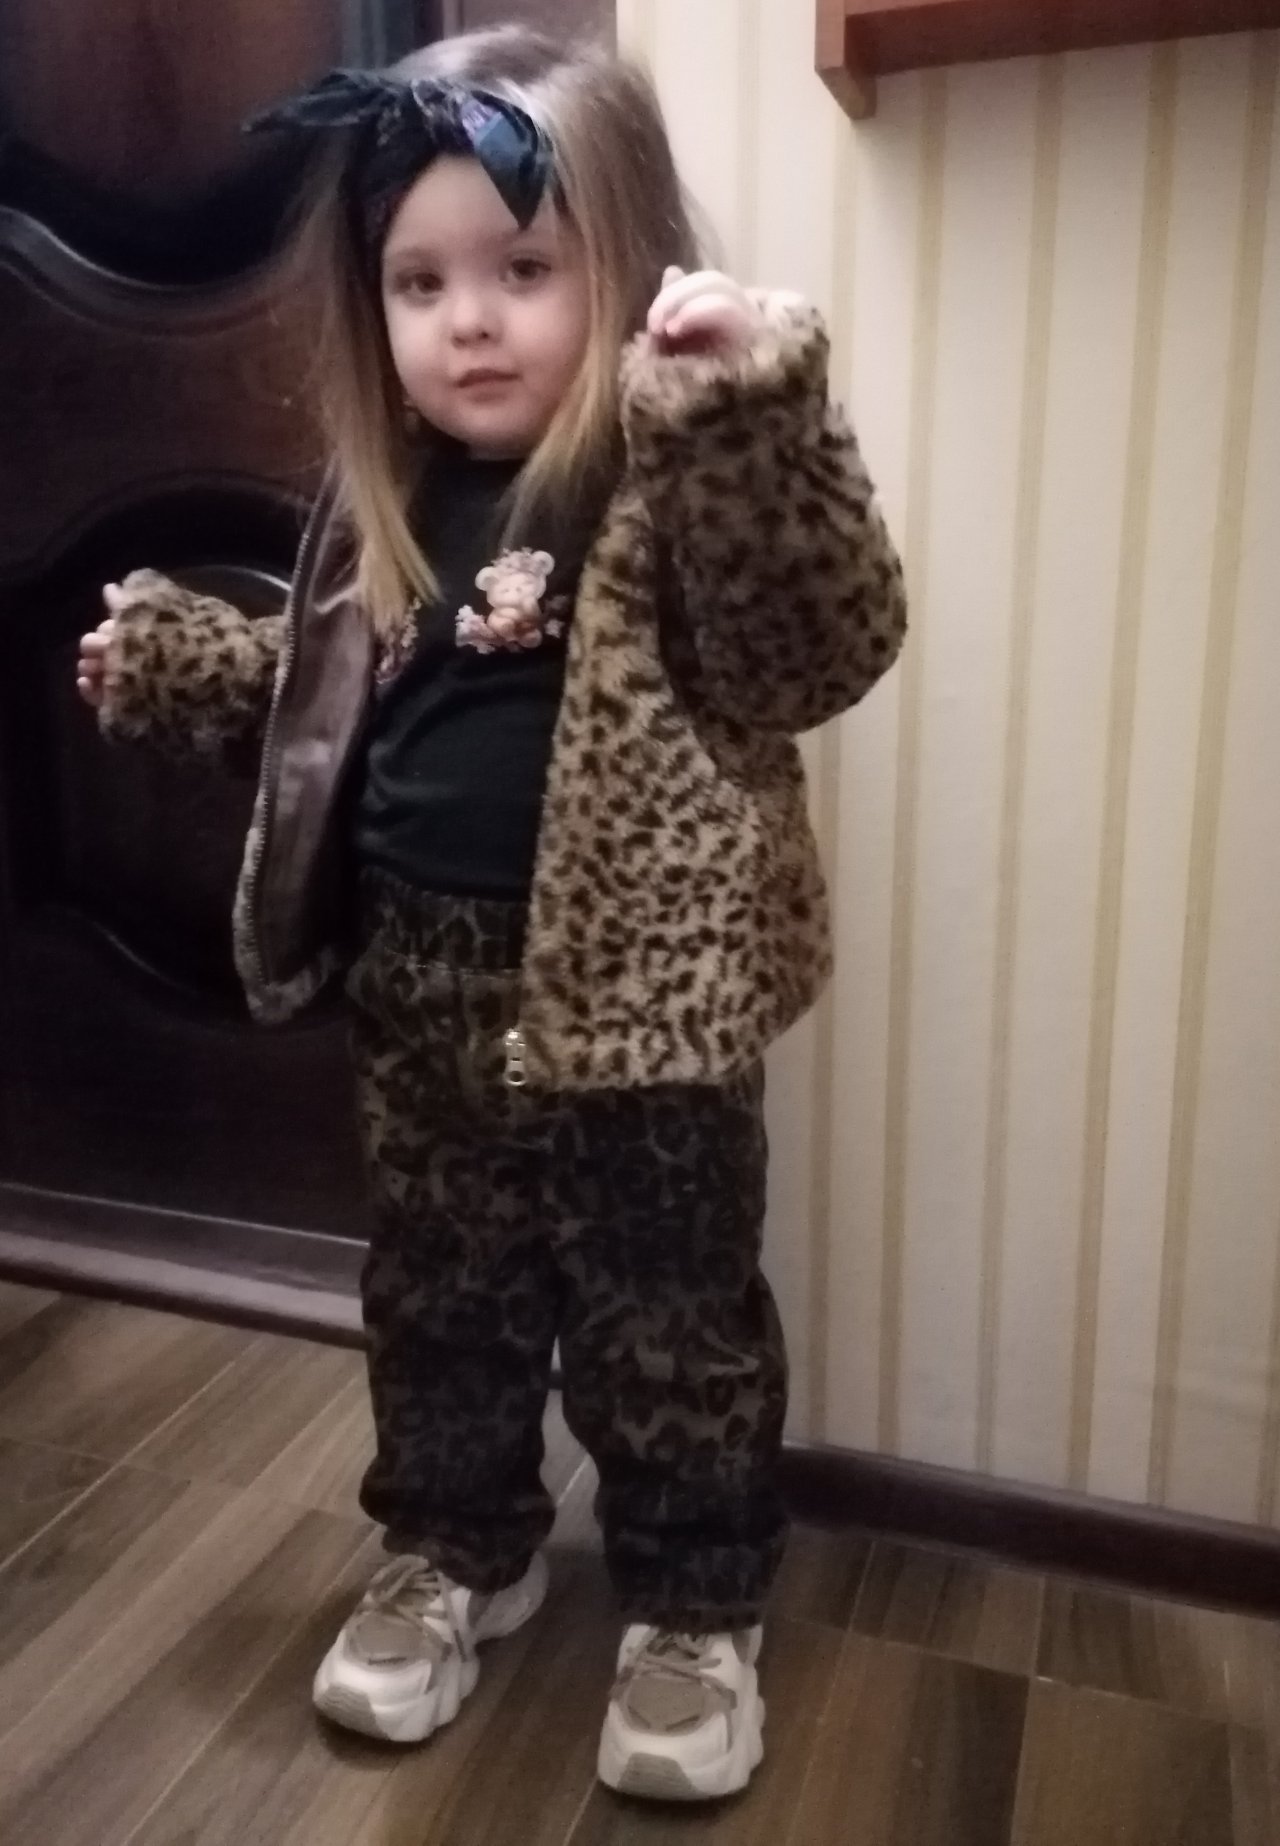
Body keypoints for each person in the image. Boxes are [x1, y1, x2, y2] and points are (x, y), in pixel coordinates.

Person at [76, 24, 906, 1804]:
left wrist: (754, 413)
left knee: (667, 1306)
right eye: (420, 280)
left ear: (628, 259)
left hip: (646, 1000)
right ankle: (458, 1547)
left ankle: (693, 1600)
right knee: (440, 1291)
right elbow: (320, 697)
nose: (469, 321)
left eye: (524, 270)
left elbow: (820, 645)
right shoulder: (378, 500)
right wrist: (184, 659)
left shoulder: (672, 481)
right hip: (424, 983)